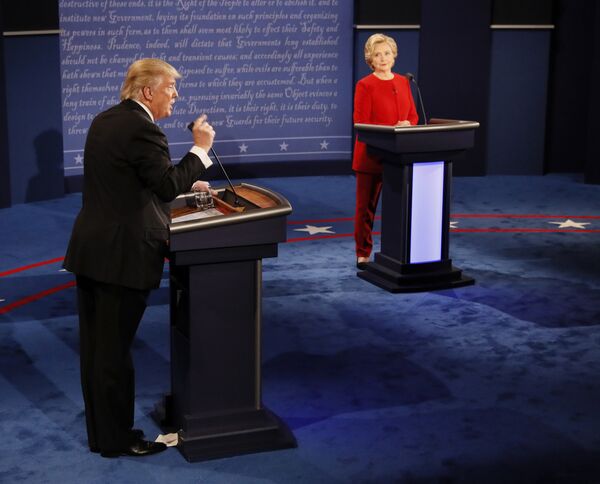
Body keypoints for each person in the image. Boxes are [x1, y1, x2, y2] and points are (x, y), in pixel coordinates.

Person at [64, 58, 215, 458]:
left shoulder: (106, 120)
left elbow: (131, 183)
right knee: (113, 356)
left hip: (92, 250)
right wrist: (199, 151)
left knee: (98, 352)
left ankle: (103, 436)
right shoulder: (143, 128)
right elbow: (164, 185)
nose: (176, 95)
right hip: (122, 257)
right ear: (148, 91)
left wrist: (185, 178)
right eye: (170, 88)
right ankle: (117, 440)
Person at [353, 34, 418, 269]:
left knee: (398, 207)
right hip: (371, 157)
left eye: (387, 53)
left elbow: (413, 115)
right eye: (378, 54)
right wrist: (392, 129)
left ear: (394, 56)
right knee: (366, 209)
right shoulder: (365, 85)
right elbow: (361, 122)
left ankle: (396, 251)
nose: (383, 58)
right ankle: (363, 252)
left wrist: (408, 124)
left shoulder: (403, 82)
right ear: (370, 58)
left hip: (399, 157)